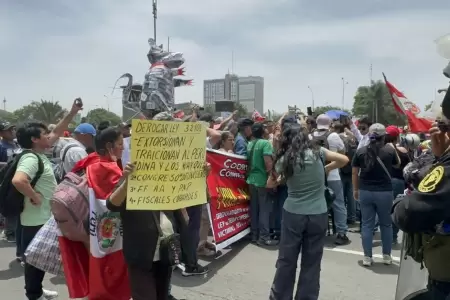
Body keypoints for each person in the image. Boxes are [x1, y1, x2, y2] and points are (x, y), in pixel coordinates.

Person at [12, 99, 83, 300]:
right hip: (35, 219)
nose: (50, 137)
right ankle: (33, 295)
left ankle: (37, 290)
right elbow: (19, 180)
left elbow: (57, 132)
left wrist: (72, 113)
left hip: (41, 217)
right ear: (35, 139)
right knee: (35, 259)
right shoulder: (30, 158)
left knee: (38, 258)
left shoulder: (38, 153)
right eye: (44, 134)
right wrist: (35, 196)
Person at [269, 126, 349, 300]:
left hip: (293, 213)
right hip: (318, 214)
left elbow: (270, 183)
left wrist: (283, 177)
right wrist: (325, 169)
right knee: (312, 262)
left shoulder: (286, 158)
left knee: (287, 260)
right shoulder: (318, 152)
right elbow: (343, 159)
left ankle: (280, 296)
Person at [352, 123, 400, 267]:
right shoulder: (389, 151)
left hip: (365, 191)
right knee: (386, 224)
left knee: (367, 225)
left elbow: (355, 172)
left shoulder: (360, 151)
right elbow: (397, 164)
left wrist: (355, 190)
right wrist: (393, 148)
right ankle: (386, 256)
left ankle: (367, 257)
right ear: (384, 136)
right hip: (384, 192)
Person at [312, 114, 349, 245]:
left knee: (317, 204)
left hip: (315, 177)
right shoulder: (334, 136)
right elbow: (343, 152)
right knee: (338, 204)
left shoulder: (310, 136)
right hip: (333, 175)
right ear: (330, 123)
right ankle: (341, 233)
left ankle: (317, 231)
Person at [247, 123, 277, 246]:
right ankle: (264, 237)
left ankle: (254, 234)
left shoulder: (250, 144)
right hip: (262, 180)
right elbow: (268, 162)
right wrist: (273, 179)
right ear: (262, 131)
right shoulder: (265, 144)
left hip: (251, 179)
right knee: (264, 209)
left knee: (254, 208)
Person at [385, 125, 409, 244]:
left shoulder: (382, 150)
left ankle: (384, 233)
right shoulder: (403, 151)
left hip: (384, 181)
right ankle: (393, 236)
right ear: (397, 136)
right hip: (399, 182)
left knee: (383, 208)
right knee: (395, 208)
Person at [0, 121, 20, 244]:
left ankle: (12, 229)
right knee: (9, 205)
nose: (12, 131)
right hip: (4, 180)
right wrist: (9, 165)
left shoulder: (17, 144)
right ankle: (9, 232)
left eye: (13, 129)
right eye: (9, 130)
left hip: (16, 179)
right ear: (2, 133)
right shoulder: (1, 146)